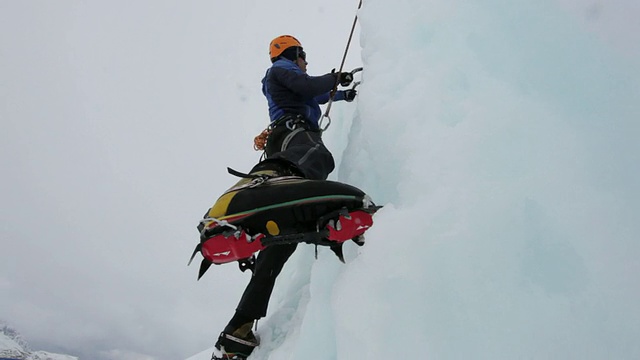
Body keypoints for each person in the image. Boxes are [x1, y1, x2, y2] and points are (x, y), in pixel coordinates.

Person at [213, 35, 358, 359]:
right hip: (293, 134)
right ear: (292, 53)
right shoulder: (280, 69)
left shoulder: (288, 78)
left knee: (278, 247)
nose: (305, 61)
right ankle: (282, 184)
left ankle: (239, 328)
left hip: (286, 137)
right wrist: (336, 77)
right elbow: (309, 88)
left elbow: (317, 94)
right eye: (303, 55)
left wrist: (344, 91)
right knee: (318, 155)